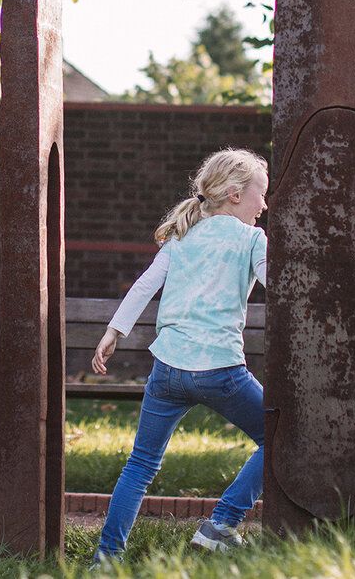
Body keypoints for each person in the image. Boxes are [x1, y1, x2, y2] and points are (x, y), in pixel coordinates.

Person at [91, 148, 268, 563]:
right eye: (261, 194)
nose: (265, 205)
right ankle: (221, 524)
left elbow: (144, 285)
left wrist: (114, 331)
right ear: (235, 194)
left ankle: (106, 557)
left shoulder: (182, 236)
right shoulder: (251, 238)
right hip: (220, 371)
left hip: (166, 371)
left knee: (140, 465)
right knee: (279, 438)